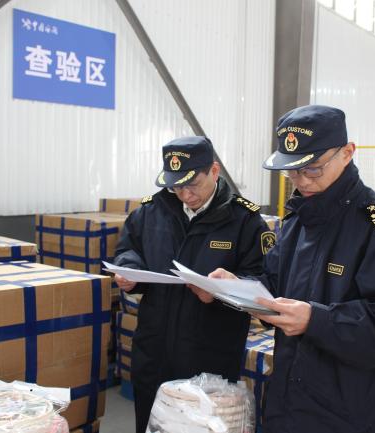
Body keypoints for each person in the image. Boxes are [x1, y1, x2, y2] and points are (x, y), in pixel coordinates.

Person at [210, 105, 375, 432]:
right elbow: (274, 282)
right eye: (292, 171)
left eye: (312, 169)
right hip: (294, 401)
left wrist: (316, 320)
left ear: (347, 153)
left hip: (355, 414)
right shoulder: (298, 221)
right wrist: (237, 286)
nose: (301, 181)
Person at [112, 136, 274, 433]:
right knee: (149, 424)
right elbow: (129, 249)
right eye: (176, 186)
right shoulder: (151, 211)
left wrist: (224, 291)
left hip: (210, 357)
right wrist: (130, 272)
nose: (185, 195)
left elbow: (264, 283)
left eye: (193, 184)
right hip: (154, 350)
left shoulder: (244, 221)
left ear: (214, 171)